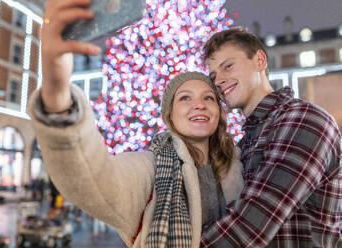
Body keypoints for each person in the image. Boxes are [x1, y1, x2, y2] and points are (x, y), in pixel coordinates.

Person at [28, 1, 244, 247]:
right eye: (185, 98)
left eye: (209, 98)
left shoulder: (239, 162)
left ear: (218, 110)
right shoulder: (148, 169)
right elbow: (93, 179)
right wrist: (57, 95)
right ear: (169, 115)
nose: (200, 104)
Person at [200, 27, 342, 247]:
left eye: (228, 66)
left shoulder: (303, 119)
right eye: (213, 76)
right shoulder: (245, 142)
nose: (218, 81)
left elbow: (252, 223)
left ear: (260, 61)